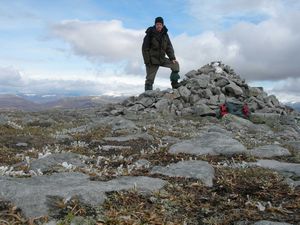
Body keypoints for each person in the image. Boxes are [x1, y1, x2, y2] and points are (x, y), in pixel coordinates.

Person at [142, 16, 181, 91]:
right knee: (150, 79)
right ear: (155, 25)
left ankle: (175, 84)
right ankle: (147, 95)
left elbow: (169, 47)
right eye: (157, 24)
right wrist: (147, 61)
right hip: (152, 60)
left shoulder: (165, 35)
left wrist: (172, 58)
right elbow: (144, 49)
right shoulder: (150, 34)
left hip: (162, 59)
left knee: (175, 65)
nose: (159, 26)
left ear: (162, 25)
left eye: (160, 24)